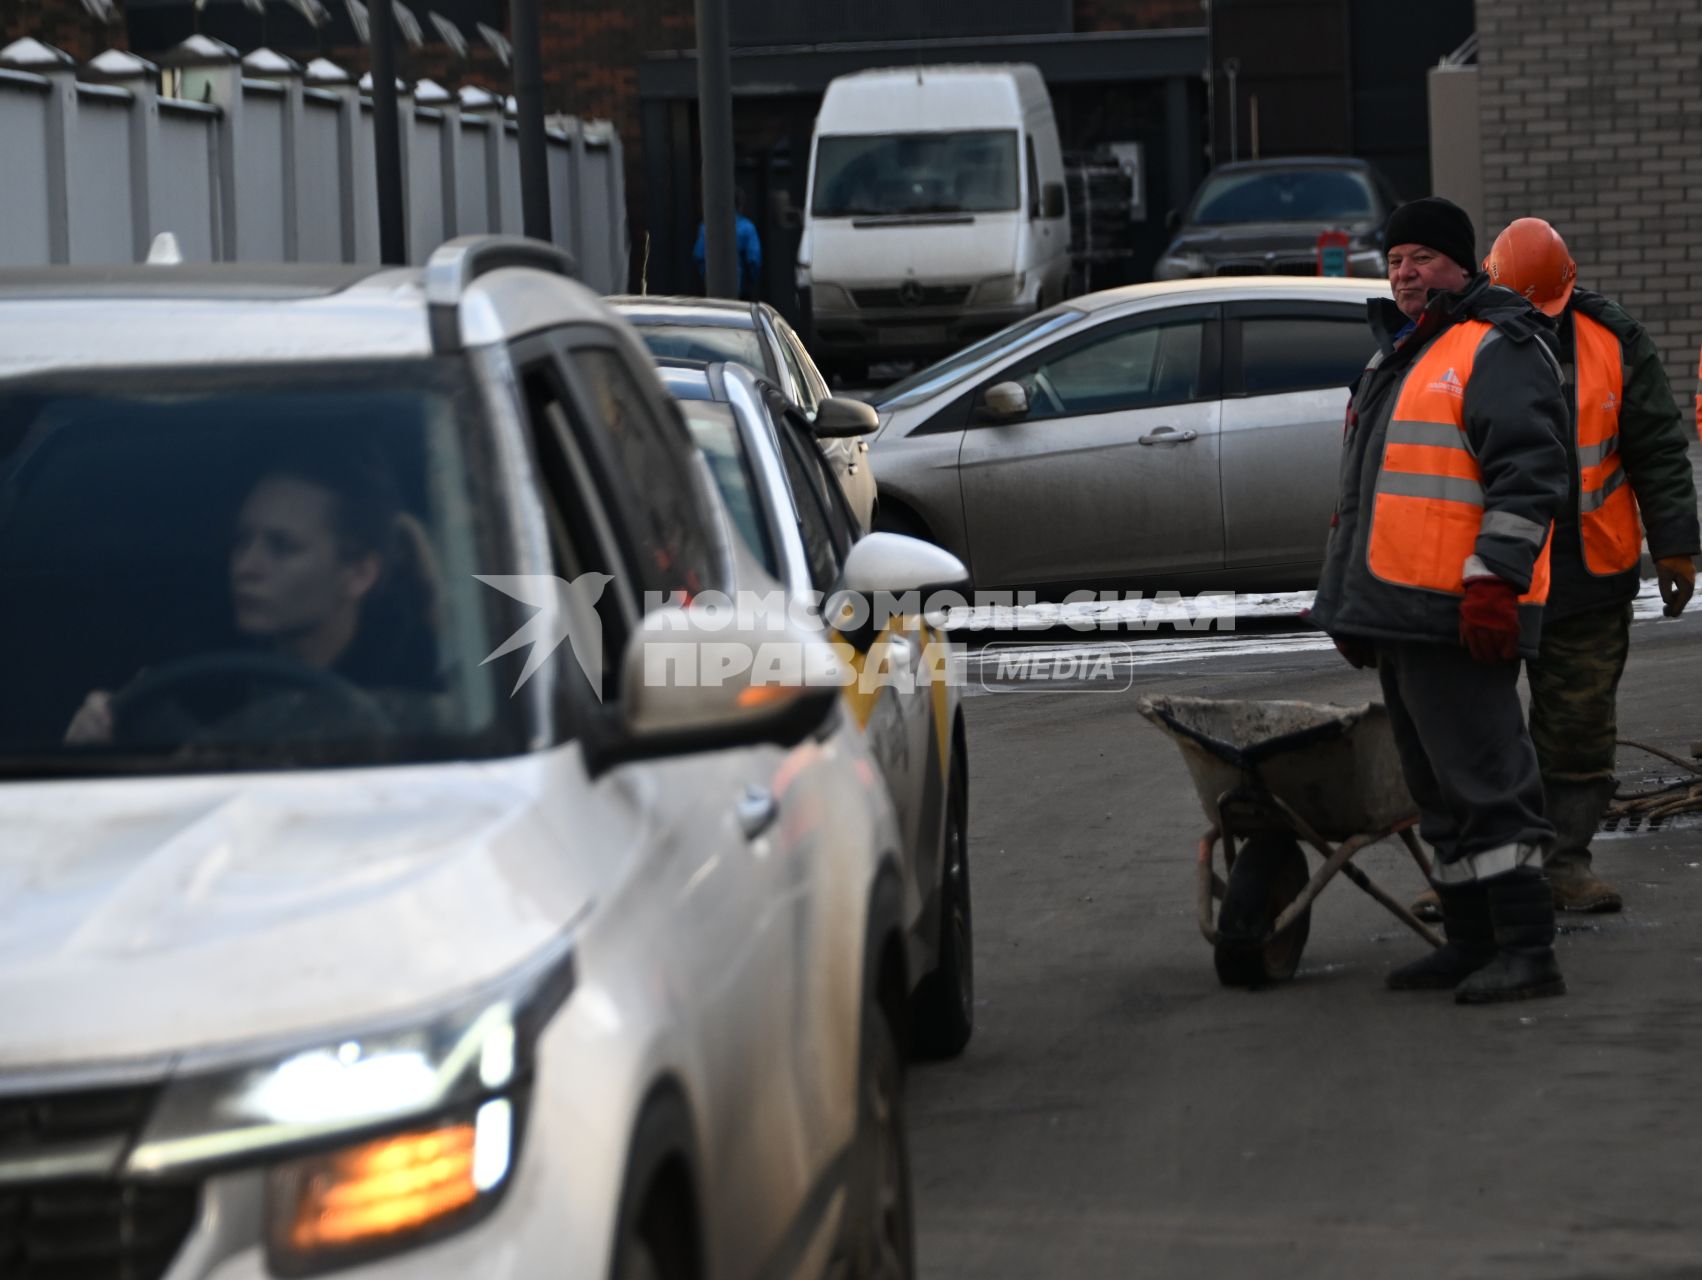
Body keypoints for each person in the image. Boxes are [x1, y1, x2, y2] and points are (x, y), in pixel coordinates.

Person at [1310, 196, 1573, 1004]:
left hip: (1462, 613)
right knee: (1440, 792)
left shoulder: (1498, 345)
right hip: (1401, 612)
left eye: (1421, 257)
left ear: (1462, 266)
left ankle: (1529, 952)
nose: (1404, 272)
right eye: (1394, 261)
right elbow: (1362, 499)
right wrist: (1350, 605)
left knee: (1489, 781)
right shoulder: (1401, 354)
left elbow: (1529, 475)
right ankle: (1469, 942)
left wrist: (1494, 582)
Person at [1470, 218, 1700, 912]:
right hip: (1492, 572)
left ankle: (1563, 864)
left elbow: (1656, 444)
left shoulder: (1613, 340)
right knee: (1476, 732)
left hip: (1587, 570)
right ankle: (1479, 879)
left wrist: (1676, 547)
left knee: (1577, 726)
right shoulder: (1466, 343)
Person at [65, 448, 439, 746]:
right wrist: (96, 742)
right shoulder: (192, 676)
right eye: (242, 540)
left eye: (282, 547)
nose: (245, 566)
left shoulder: (426, 692)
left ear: (359, 574)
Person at [693, 188, 763, 300]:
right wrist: (749, 282)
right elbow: (753, 260)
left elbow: (699, 255)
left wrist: (707, 278)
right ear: (740, 205)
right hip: (740, 291)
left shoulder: (705, 227)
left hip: (711, 289)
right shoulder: (747, 227)